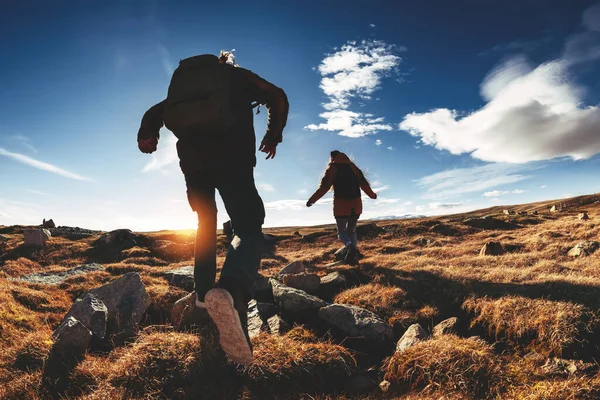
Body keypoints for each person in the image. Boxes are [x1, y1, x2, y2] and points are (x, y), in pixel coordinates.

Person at [137, 51, 288, 365]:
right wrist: (274, 134)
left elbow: (155, 112)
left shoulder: (183, 88)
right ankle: (230, 292)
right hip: (233, 162)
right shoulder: (233, 75)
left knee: (205, 222)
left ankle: (204, 294)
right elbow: (276, 95)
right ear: (226, 61)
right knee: (247, 226)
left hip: (194, 168)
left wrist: (147, 135)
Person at [306, 151, 377, 265]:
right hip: (356, 206)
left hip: (341, 206)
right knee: (351, 231)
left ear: (332, 158)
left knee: (341, 233)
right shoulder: (353, 167)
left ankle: (351, 248)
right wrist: (372, 195)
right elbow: (364, 184)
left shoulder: (333, 168)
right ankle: (353, 258)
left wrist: (311, 200)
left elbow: (324, 187)